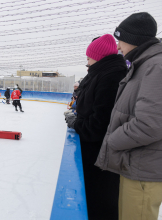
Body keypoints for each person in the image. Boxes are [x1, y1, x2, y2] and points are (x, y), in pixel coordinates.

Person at [95, 12, 162, 220]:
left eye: (120, 40)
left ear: (133, 40)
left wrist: (112, 140)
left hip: (143, 171)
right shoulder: (143, 64)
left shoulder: (155, 67)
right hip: (134, 166)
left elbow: (148, 124)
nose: (117, 47)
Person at [65, 34, 127, 220]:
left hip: (101, 157)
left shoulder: (111, 77)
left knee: (101, 203)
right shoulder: (101, 73)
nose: (87, 61)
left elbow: (100, 122)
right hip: (95, 153)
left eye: (89, 56)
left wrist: (78, 123)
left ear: (98, 56)